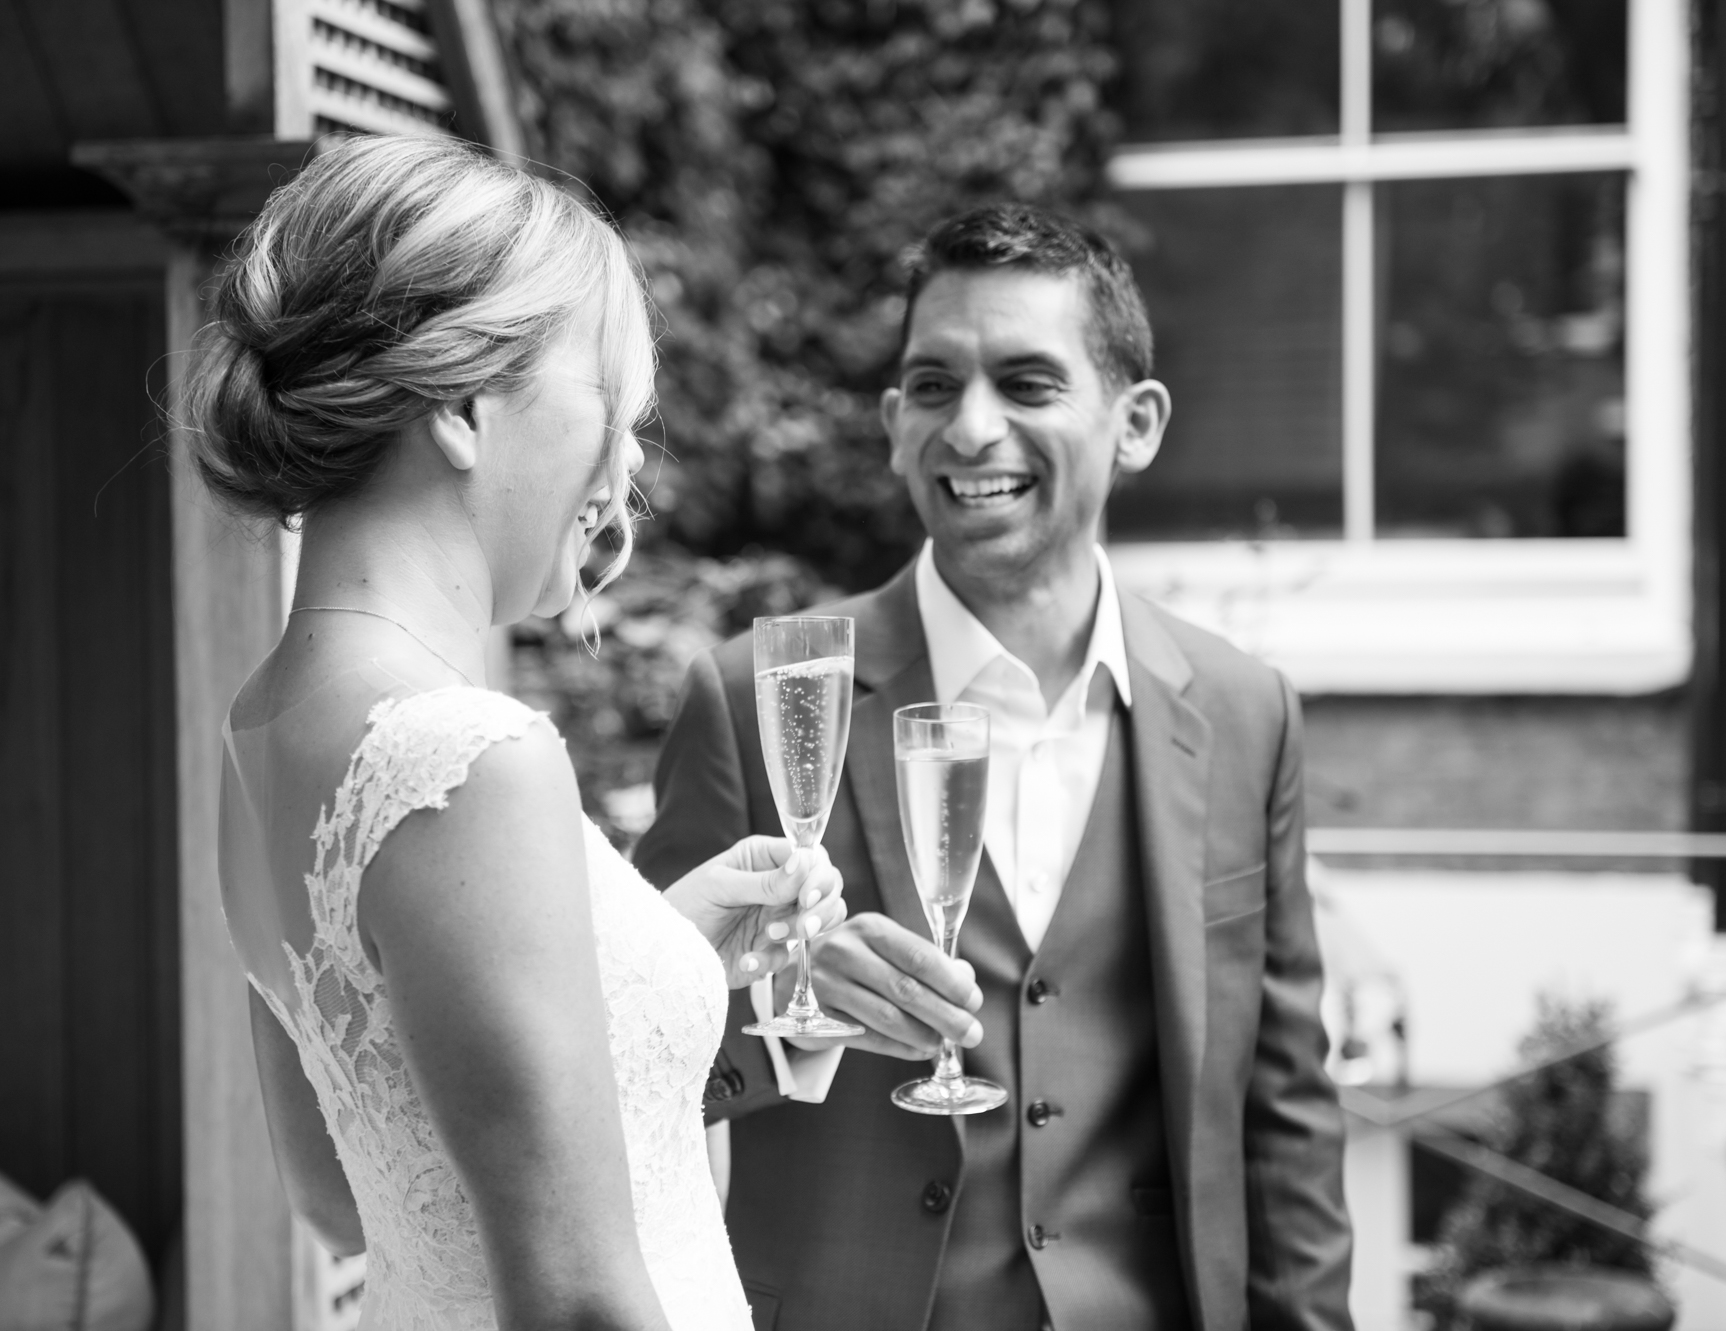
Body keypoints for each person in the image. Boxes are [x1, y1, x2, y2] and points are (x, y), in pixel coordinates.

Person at [635, 203, 1353, 1331]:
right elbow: (634, 1066)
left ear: (1136, 423)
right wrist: (784, 1012)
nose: (970, 429)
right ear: (893, 425)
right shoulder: (757, 698)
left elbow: (1285, 1107)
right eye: (933, 385)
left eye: (1026, 383)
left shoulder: (1241, 711)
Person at [195, 135, 844, 1331]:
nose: (626, 462)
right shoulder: (470, 759)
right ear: (462, 406)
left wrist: (652, 957)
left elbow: (345, 1194)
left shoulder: (260, 732)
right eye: (610, 405)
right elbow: (582, 1301)